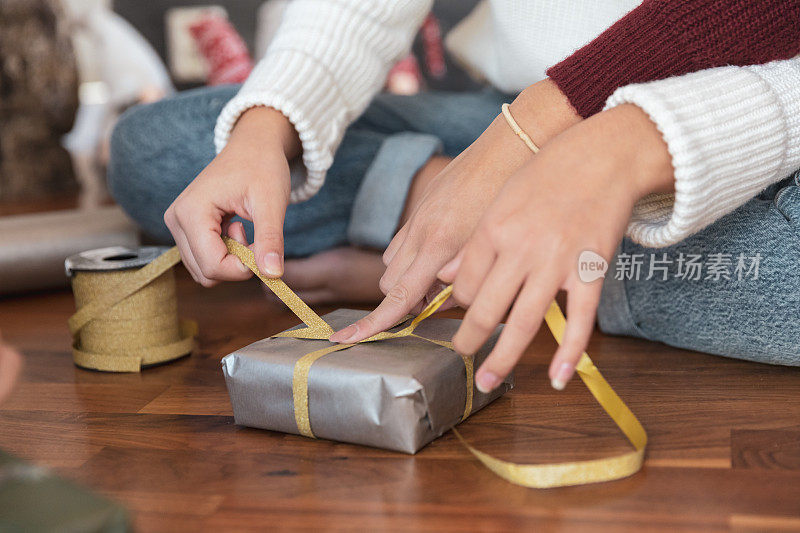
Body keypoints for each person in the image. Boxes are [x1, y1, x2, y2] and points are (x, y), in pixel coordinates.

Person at [109, 0, 800, 393]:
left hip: (748, 112)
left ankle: (485, 252)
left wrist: (622, 143)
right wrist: (268, 127)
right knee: (159, 147)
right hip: (524, 104)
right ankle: (481, 237)